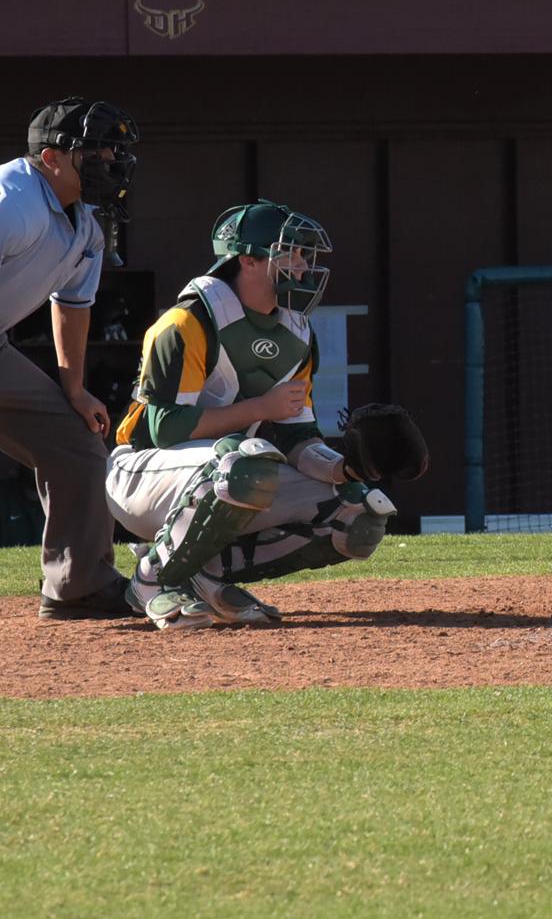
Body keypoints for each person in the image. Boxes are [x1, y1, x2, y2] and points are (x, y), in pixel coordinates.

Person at [105, 200, 400, 630]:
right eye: (290, 252)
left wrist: (345, 468)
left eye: (304, 254)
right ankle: (152, 580)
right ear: (247, 259)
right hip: (141, 474)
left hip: (228, 474)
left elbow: (298, 437)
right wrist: (260, 409)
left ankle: (206, 574)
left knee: (359, 514)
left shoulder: (297, 332)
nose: (303, 265)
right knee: (243, 464)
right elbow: (164, 428)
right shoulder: (187, 322)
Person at [0, 97, 141, 620]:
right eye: (96, 151)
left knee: (77, 444)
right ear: (52, 157)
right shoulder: (12, 200)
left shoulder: (86, 226)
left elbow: (73, 307)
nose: (110, 160)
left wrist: (74, 388)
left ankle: (78, 586)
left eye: (113, 151)